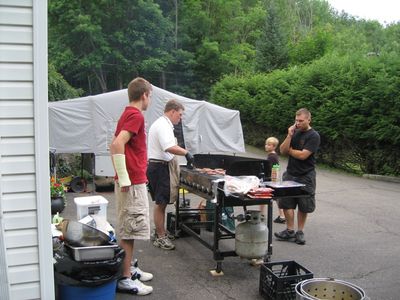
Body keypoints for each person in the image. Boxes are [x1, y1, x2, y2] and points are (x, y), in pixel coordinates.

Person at [110, 77, 154, 295]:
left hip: (133, 180)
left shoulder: (128, 113)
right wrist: (125, 177)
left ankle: (129, 267)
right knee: (130, 229)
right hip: (132, 182)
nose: (150, 101)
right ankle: (125, 278)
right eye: (150, 96)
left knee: (130, 226)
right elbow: (116, 144)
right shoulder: (135, 115)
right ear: (144, 94)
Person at [147, 99, 194, 250]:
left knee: (162, 203)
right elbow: (169, 147)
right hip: (160, 168)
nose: (180, 118)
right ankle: (160, 237)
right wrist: (187, 153)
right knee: (161, 204)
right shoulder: (163, 125)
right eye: (179, 115)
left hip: (159, 167)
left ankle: (160, 232)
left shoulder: (163, 124)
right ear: (172, 111)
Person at [274, 108, 320, 245]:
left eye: (301, 121)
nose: (298, 123)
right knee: (286, 202)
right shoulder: (294, 133)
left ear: (308, 120)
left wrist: (291, 151)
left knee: (303, 204)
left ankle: (300, 232)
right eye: (296, 120)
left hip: (306, 175)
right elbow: (282, 150)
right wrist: (289, 135)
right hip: (290, 173)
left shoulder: (314, 136)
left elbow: (303, 155)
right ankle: (289, 231)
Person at [262, 136, 286, 224]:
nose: (266, 146)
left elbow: (274, 169)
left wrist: (273, 180)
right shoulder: (274, 155)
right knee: (276, 198)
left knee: (263, 195)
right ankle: (282, 216)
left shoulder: (271, 157)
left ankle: (261, 214)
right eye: (266, 144)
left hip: (270, 180)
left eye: (269, 145)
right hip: (272, 179)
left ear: (274, 146)